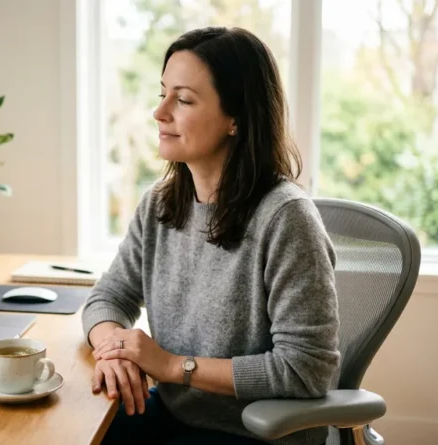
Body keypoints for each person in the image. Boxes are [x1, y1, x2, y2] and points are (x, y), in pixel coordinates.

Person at [81, 26, 341, 445]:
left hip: (255, 434)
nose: (159, 112)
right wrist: (113, 350)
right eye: (162, 92)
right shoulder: (160, 204)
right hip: (175, 416)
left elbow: (306, 369)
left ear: (235, 118)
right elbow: (108, 297)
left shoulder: (286, 219)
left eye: (182, 99)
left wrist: (171, 367)